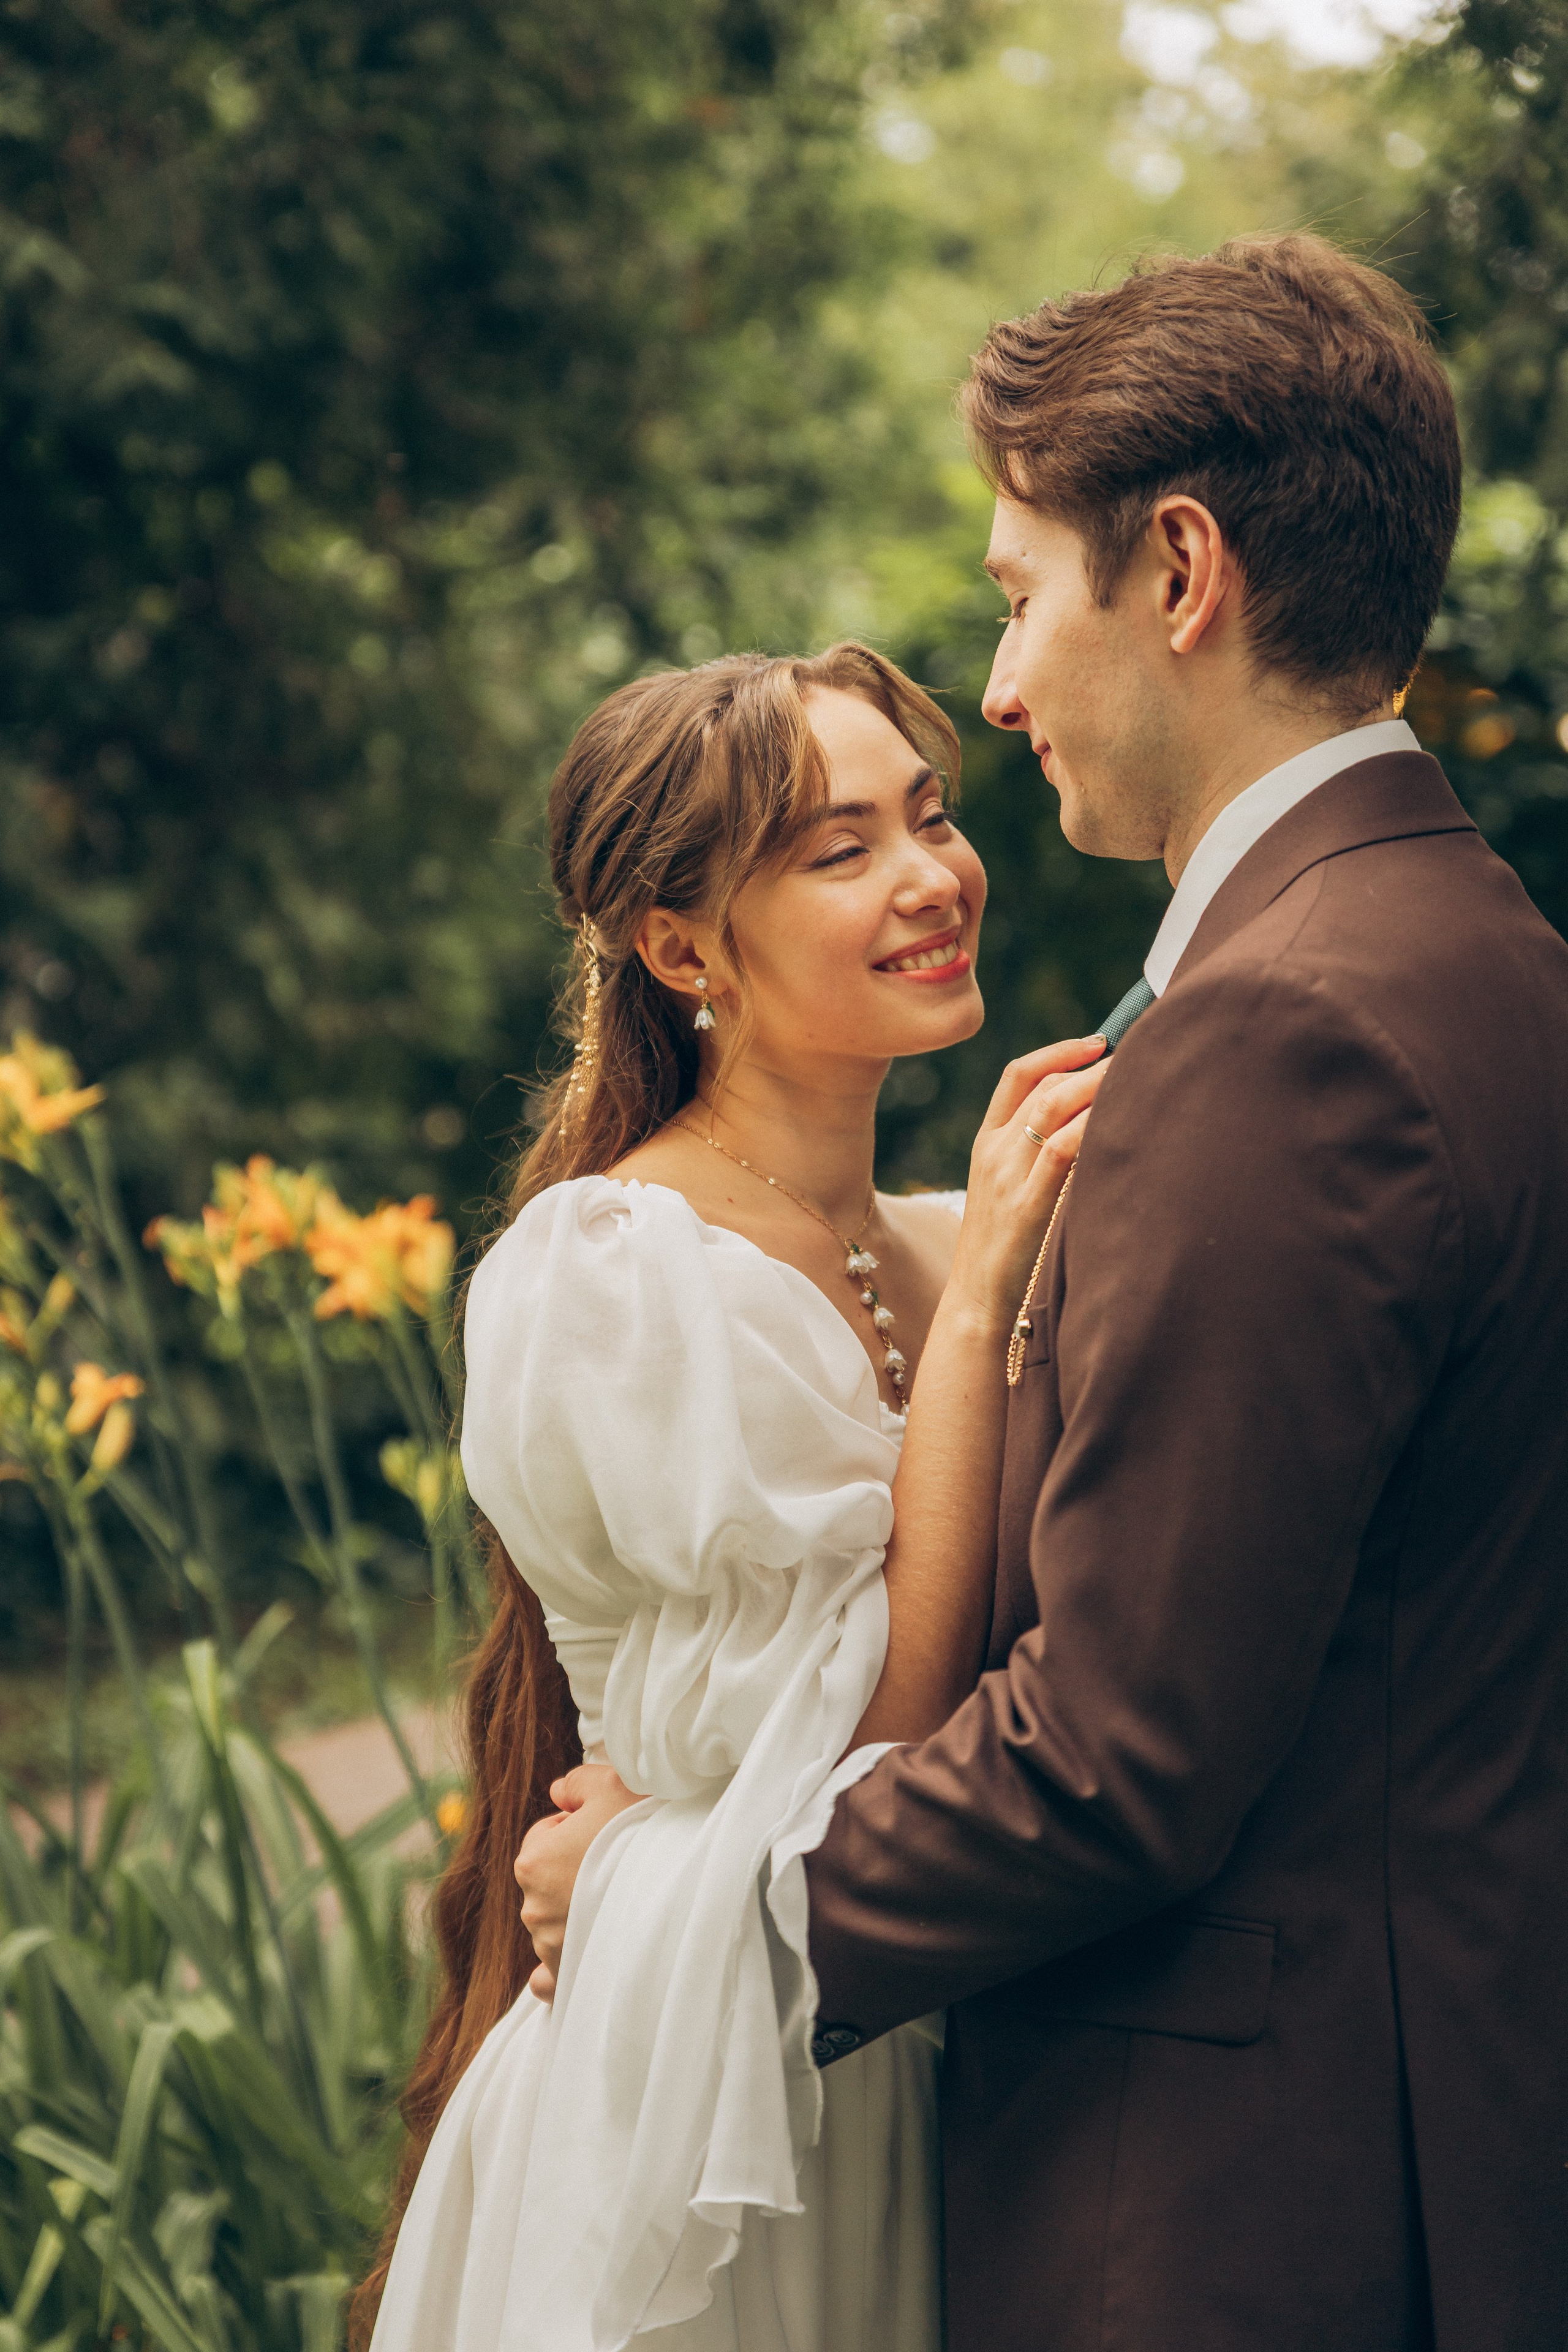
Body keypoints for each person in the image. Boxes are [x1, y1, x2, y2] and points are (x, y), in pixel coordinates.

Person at [519, 235, 1568, 2350]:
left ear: (1179, 572)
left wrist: (656, 1909)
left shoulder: (1286, 1033)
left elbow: (1118, 1756)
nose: (998, 692)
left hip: (1249, 2217)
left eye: (1018, 599)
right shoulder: (1493, 959)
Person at [352, 639, 1109, 2352]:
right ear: (682, 948)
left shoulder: (953, 1234)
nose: (931, 878)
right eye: (843, 851)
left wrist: (985, 1265)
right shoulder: (622, 1271)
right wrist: (983, 1302)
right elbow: (873, 1739)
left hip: (939, 2066)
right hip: (702, 2137)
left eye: (929, 817)